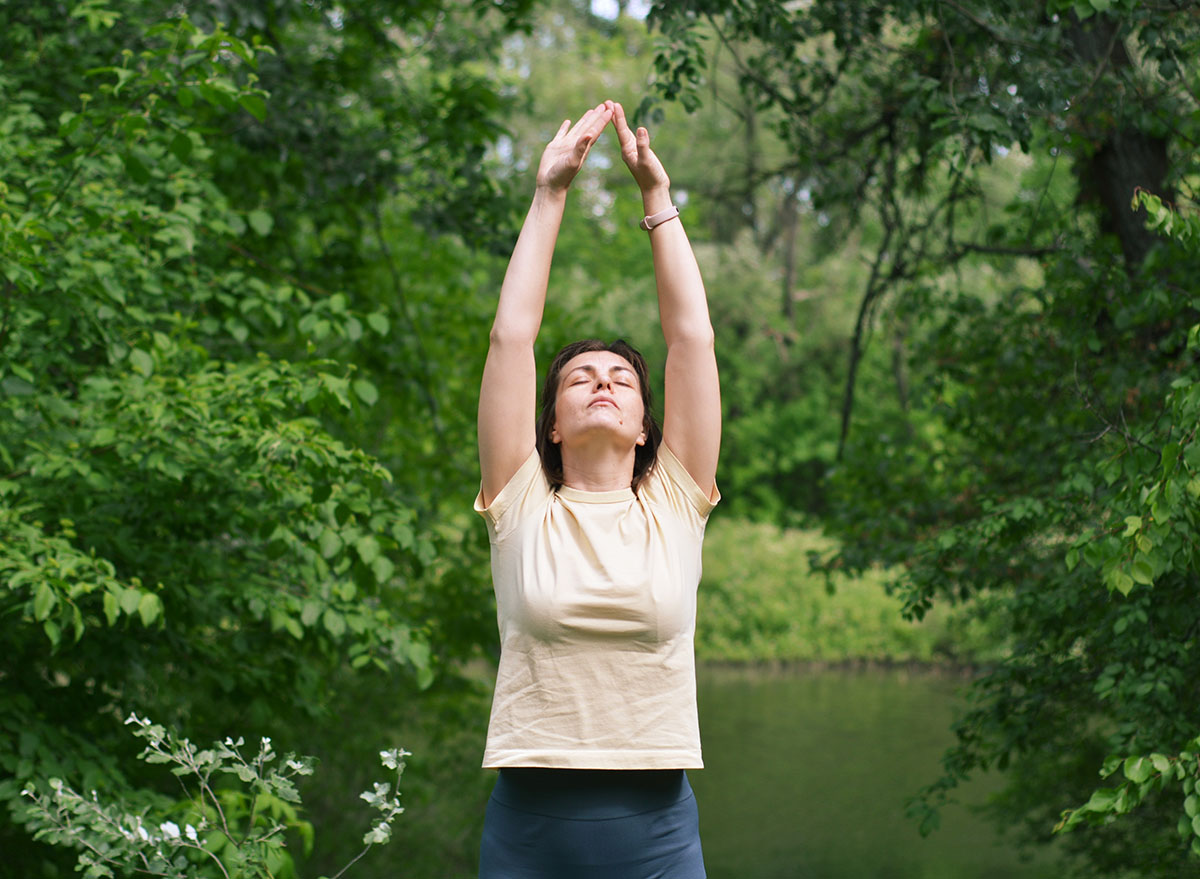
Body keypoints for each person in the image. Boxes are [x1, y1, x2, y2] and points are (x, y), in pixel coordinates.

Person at [474, 98, 721, 878]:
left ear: (647, 426)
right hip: (529, 834)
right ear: (550, 424)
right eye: (580, 377)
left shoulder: (675, 502)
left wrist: (658, 198)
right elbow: (512, 337)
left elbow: (691, 339)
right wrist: (550, 193)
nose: (603, 383)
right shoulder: (520, 505)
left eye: (621, 378)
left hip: (657, 834)